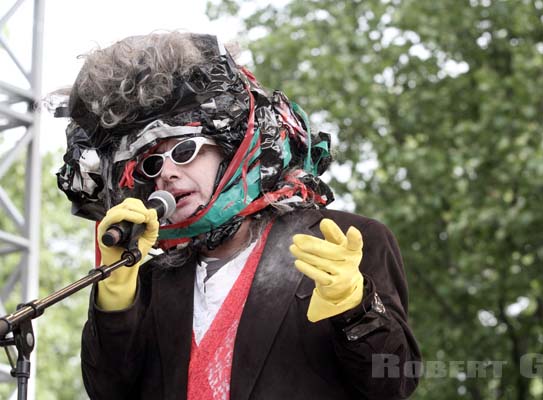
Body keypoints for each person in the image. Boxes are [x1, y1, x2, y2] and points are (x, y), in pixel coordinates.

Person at [54, 32, 421, 399]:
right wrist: (115, 293)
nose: (166, 173)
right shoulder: (150, 281)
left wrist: (357, 308)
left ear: (230, 149)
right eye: (151, 164)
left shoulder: (345, 240)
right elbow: (108, 390)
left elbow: (396, 381)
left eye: (184, 150)